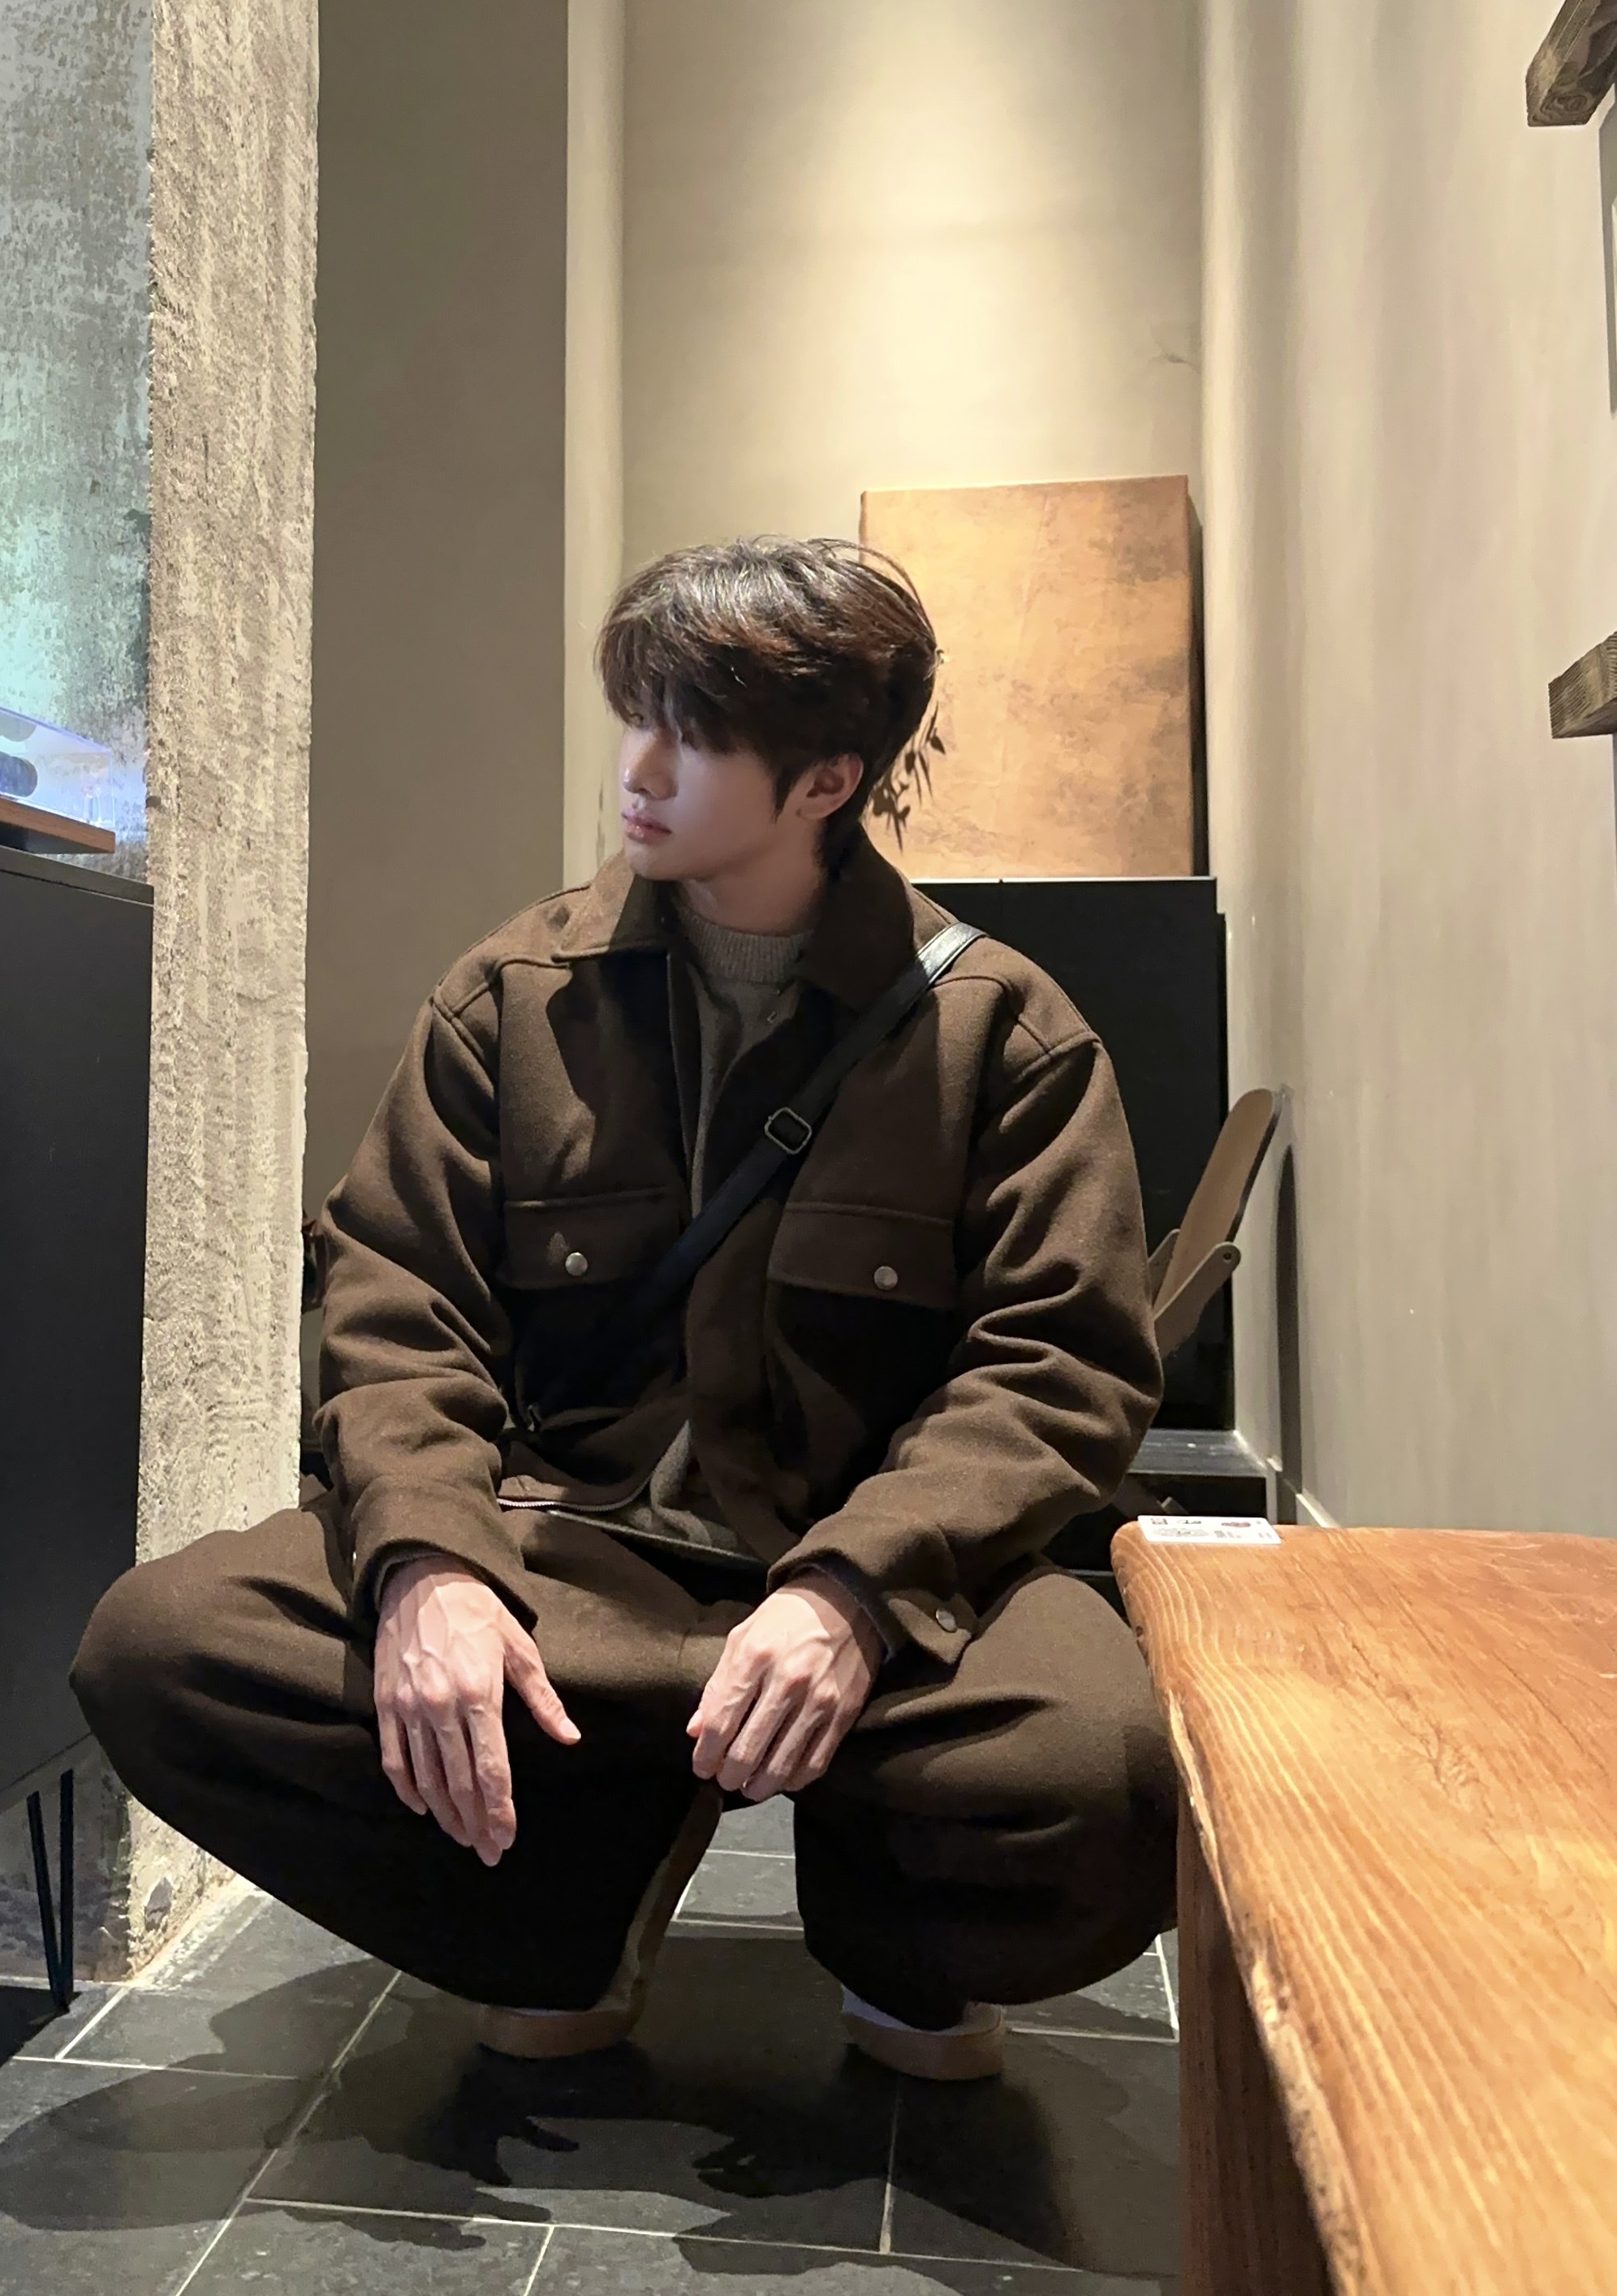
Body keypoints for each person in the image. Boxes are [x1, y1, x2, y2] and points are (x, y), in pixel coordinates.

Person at [73, 536, 1176, 2077]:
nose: (639, 770)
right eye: (636, 716)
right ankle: (562, 1893)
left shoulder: (1004, 1033)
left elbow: (1058, 1369)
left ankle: (895, 1924)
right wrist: (429, 1563)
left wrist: (855, 1591)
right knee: (166, 1646)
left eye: (694, 734)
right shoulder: (512, 998)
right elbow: (399, 1305)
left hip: (881, 1576)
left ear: (826, 781)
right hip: (574, 1569)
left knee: (1112, 1766)